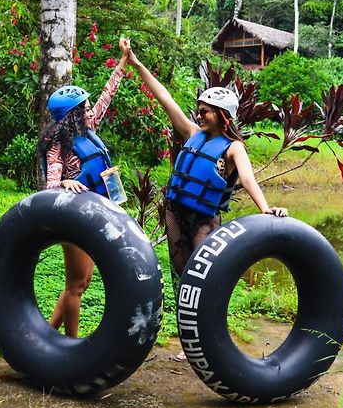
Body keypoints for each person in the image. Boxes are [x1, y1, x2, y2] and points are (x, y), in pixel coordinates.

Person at [125, 43, 287, 360]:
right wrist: (135, 63)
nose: (199, 115)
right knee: (181, 278)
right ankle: (189, 345)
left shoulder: (233, 148)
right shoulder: (190, 132)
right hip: (176, 212)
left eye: (206, 111)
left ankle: (210, 339)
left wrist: (265, 208)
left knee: (202, 278)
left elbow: (249, 179)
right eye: (199, 110)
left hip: (204, 218)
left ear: (223, 116)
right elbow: (164, 98)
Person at [39, 38, 129, 337]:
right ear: (73, 115)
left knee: (82, 282)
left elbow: (108, 95)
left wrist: (124, 61)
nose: (92, 112)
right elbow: (51, 183)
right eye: (86, 109)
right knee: (76, 285)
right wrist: (64, 180)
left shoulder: (88, 129)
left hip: (95, 213)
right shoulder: (58, 145)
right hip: (74, 217)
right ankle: (71, 345)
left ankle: (48, 335)